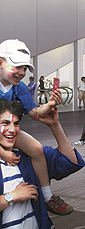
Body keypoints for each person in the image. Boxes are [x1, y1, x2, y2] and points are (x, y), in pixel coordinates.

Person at [0, 39, 74, 215]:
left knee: (36, 149)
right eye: (17, 66)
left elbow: (34, 113)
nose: (21, 72)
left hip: (8, 132)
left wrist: (49, 104)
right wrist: (3, 153)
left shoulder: (21, 87)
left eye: (25, 68)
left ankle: (47, 196)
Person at [0, 100, 85, 227]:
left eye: (16, 123)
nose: (12, 129)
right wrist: (11, 197)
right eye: (5, 123)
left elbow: (70, 161)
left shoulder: (27, 158)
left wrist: (55, 125)